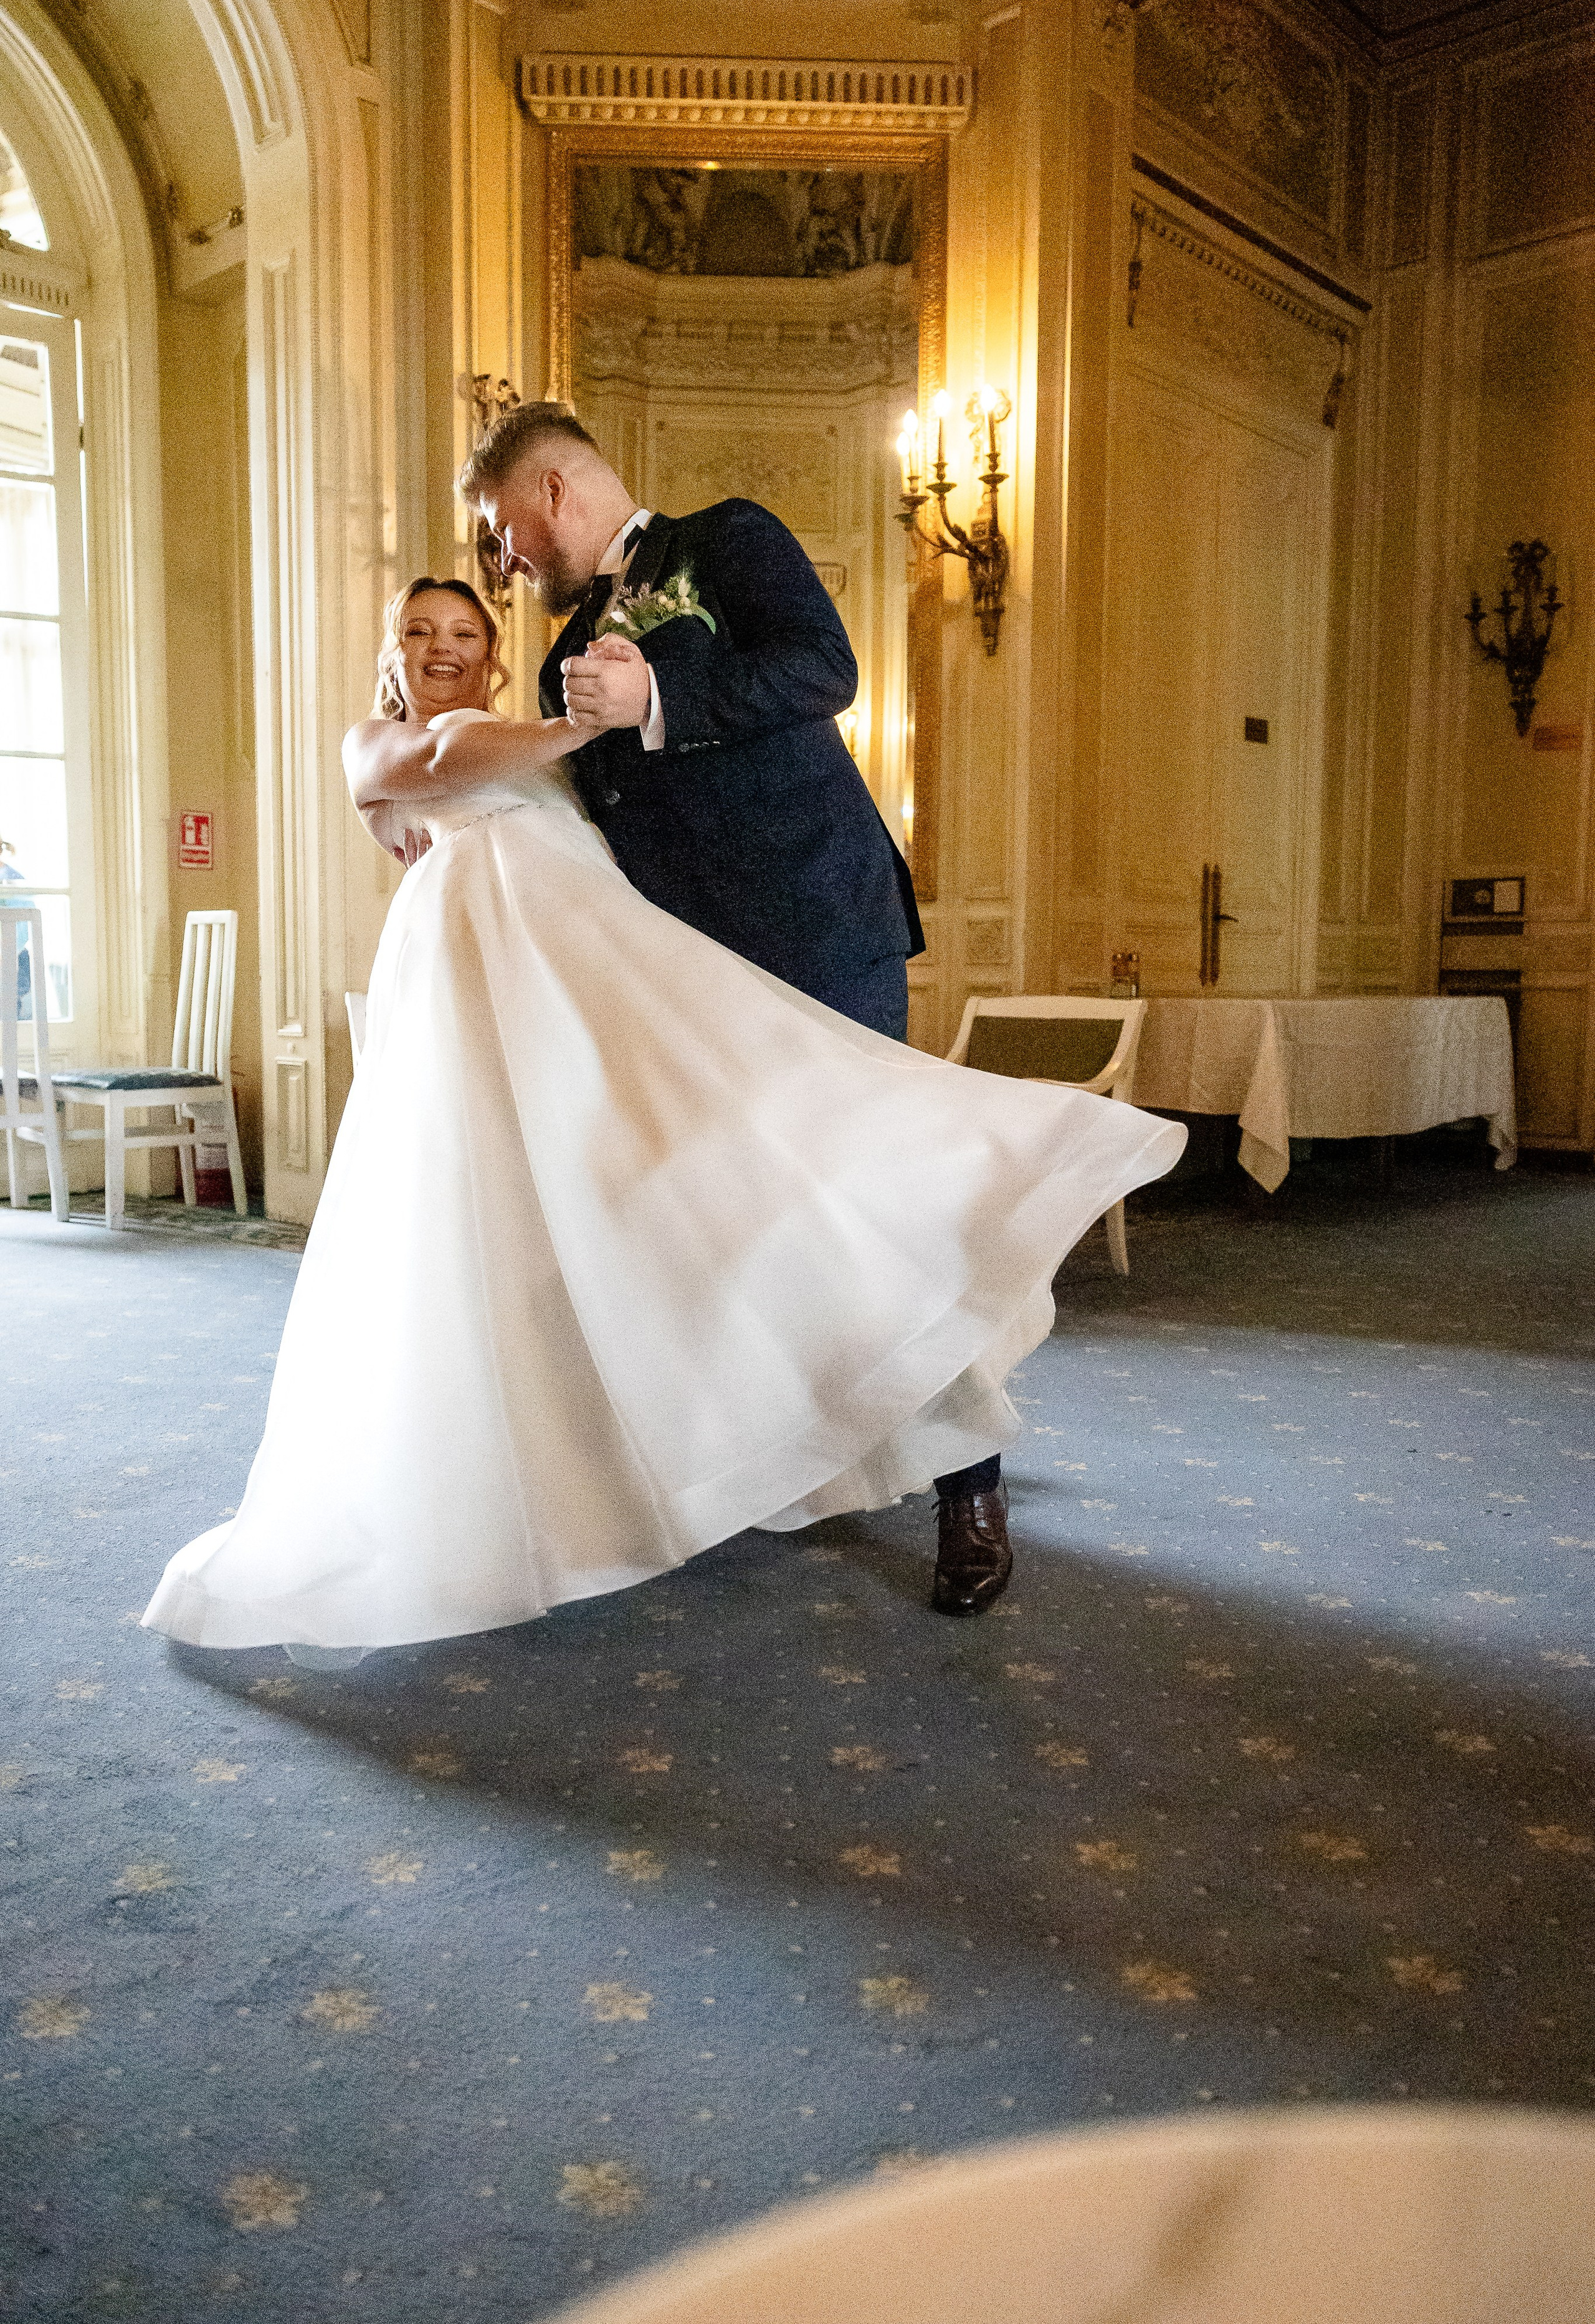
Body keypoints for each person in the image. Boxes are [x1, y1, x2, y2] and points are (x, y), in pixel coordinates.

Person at [141, 577, 1183, 1657]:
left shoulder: (543, 743)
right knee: (509, 1243)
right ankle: (549, 1491)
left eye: (464, 633)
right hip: (496, 999)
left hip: (618, 986)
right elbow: (442, 767)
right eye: (419, 631)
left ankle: (868, 1423)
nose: (441, 648)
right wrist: (576, 719)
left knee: (750, 1182)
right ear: (390, 651)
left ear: (493, 656)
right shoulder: (382, 742)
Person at [457, 406, 1009, 1614]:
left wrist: (656, 686)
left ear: (550, 493)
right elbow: (598, 833)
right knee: (726, 1223)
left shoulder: (728, 542)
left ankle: (968, 1482)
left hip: (823, 929)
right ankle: (778, 1463)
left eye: (500, 531)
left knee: (878, 1216)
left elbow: (826, 670)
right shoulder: (561, 663)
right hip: (700, 986)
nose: (502, 561)